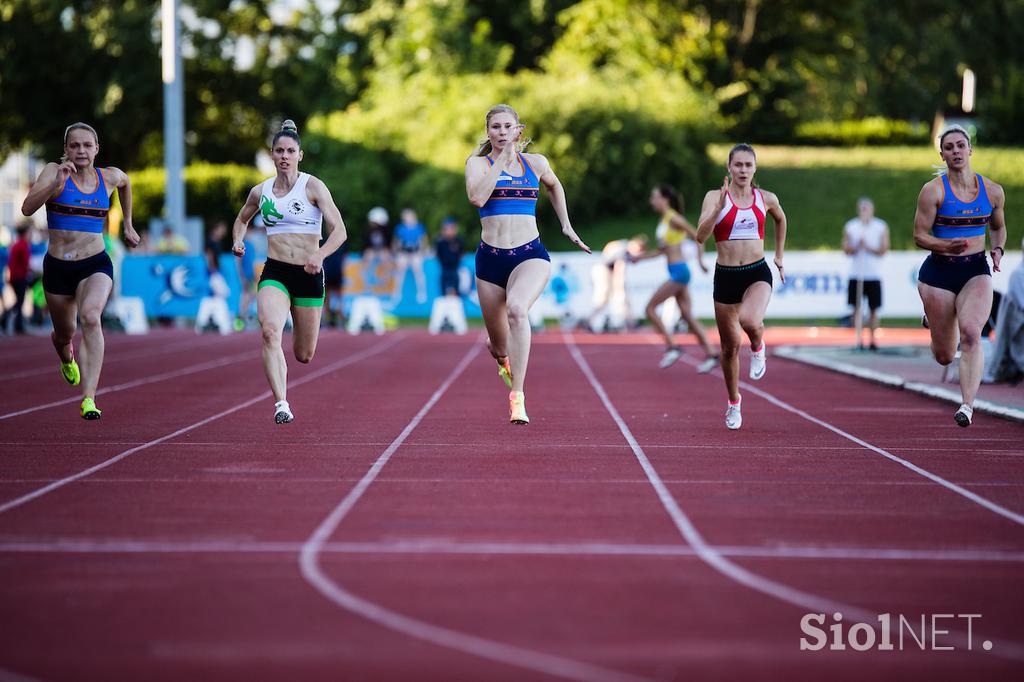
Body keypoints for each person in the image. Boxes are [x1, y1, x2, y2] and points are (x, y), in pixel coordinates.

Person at [465, 103, 590, 423]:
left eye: (508, 127)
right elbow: (477, 198)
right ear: (488, 132)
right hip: (490, 262)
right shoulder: (477, 164)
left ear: (518, 130)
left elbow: (554, 185)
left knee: (518, 310)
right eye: (496, 128)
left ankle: (517, 397)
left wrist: (566, 225)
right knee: (497, 345)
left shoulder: (536, 162)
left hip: (529, 254)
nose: (502, 133)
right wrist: (502, 162)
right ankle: (503, 360)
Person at [19, 122, 141, 419]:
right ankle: (65, 357)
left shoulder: (108, 177)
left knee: (90, 316)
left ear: (97, 149)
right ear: (66, 150)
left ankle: (89, 398)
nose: (81, 150)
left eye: (87, 145)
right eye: (75, 145)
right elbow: (26, 208)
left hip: (94, 262)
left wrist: (128, 224)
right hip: (59, 267)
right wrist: (55, 184)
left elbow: (126, 183)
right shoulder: (52, 170)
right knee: (64, 334)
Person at [231, 119, 348, 424]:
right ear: (272, 155)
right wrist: (238, 241)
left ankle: (289, 376)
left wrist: (319, 255)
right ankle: (281, 403)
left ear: (300, 155)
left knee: (304, 355)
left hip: (308, 274)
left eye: (290, 150)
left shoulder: (312, 186)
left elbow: (340, 232)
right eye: (279, 150)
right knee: (270, 331)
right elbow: (242, 219)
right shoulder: (261, 191)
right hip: (276, 271)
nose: (284, 156)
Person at [913, 125, 1007, 427]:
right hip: (938, 273)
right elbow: (919, 236)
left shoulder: (992, 191)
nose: (955, 151)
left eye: (960, 145)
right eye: (949, 147)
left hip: (975, 270)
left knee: (971, 333)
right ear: (942, 154)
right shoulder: (933, 192)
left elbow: (997, 226)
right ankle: (935, 320)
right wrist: (945, 245)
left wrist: (998, 250)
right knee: (943, 354)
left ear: (970, 150)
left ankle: (967, 405)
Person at [696, 143, 787, 430]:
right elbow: (700, 236)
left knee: (750, 320)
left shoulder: (766, 198)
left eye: (748, 165)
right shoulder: (714, 197)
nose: (743, 170)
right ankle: (734, 402)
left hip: (756, 272)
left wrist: (779, 256)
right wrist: (719, 209)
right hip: (725, 277)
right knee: (729, 348)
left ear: (755, 168)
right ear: (729, 168)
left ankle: (758, 345)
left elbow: (781, 219)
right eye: (738, 165)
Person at [631, 184, 718, 371]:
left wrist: (701, 261)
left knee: (649, 309)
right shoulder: (664, 221)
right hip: (676, 270)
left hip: (680, 272)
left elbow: (698, 236)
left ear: (665, 199)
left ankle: (672, 347)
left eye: (654, 197)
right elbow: (662, 251)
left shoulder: (674, 218)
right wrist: (640, 258)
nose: (651, 201)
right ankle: (712, 354)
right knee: (687, 316)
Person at [842, 197, 889, 350]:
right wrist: (856, 247)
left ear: (872, 209)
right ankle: (859, 339)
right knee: (856, 308)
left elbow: (883, 249)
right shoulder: (851, 226)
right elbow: (846, 249)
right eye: (862, 208)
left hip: (873, 274)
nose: (864, 211)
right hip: (856, 274)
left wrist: (868, 247)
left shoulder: (880, 226)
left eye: (867, 208)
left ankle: (873, 340)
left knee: (874, 309)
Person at [392, 207, 428, 304]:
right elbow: (397, 242)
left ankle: (422, 293)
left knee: (418, 269)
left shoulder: (419, 227)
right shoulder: (400, 228)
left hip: (415, 252)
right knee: (400, 271)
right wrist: (396, 252)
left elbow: (423, 241)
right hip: (404, 252)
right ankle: (396, 293)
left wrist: (423, 252)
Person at [2, 222, 31, 334]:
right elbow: (25, 264)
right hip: (20, 277)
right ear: (25, 233)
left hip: (14, 277)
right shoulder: (23, 245)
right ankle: (17, 325)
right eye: (29, 232)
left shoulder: (15, 244)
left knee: (19, 301)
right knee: (20, 302)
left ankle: (6, 319)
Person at [435, 216, 465, 297]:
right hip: (444, 268)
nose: (449, 231)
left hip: (455, 268)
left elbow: (461, 254)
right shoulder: (440, 242)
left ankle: (457, 300)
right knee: (443, 287)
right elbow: (437, 254)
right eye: (446, 228)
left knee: (456, 285)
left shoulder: (459, 241)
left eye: (451, 228)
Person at [321, 236, 348, 327]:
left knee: (340, 296)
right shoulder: (324, 239)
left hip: (337, 271)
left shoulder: (342, 240)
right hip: (328, 271)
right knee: (326, 296)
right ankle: (326, 319)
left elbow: (345, 257)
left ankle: (341, 319)